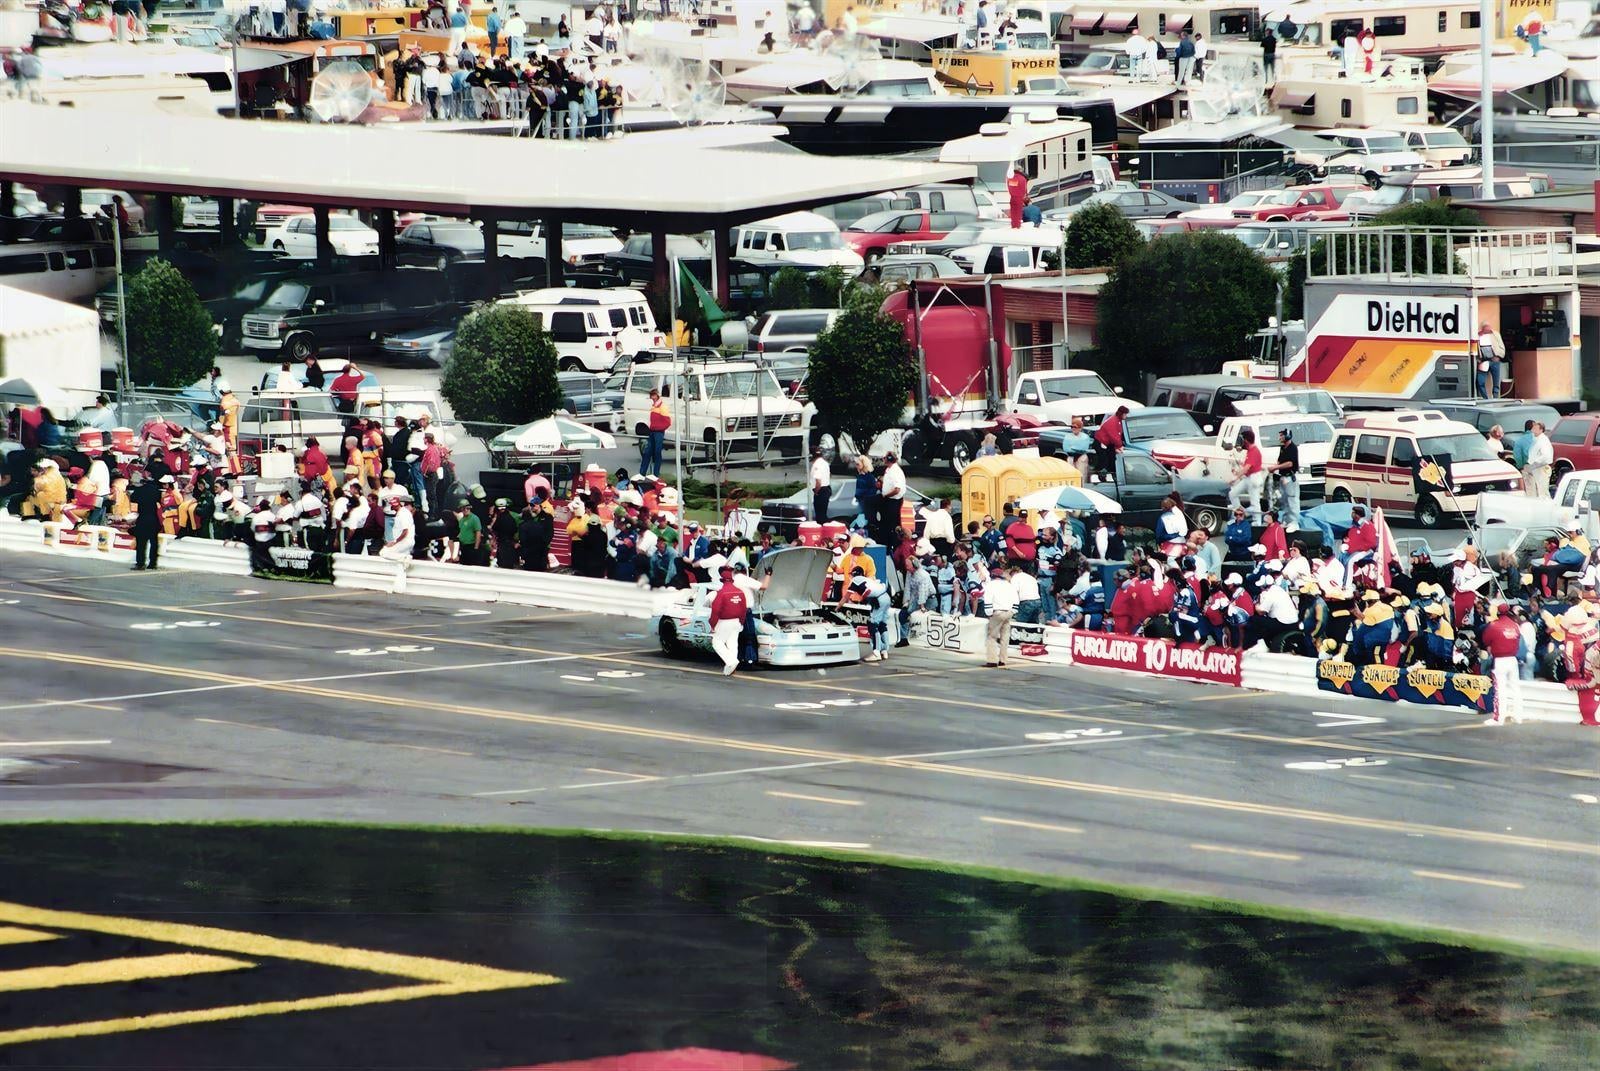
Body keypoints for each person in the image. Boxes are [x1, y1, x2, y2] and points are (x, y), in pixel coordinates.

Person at [1482, 603, 1523, 725]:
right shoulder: (1515, 626)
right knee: (1515, 688)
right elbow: (1517, 638)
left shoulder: (1493, 626)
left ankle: (1499, 718)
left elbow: (1486, 640)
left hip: (1500, 660)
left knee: (1500, 689)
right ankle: (1518, 716)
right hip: (1512, 659)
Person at [841, 566, 892, 661]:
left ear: (854, 574)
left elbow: (845, 597)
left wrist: (837, 607)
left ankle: (876, 652)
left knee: (872, 624)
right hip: (886, 596)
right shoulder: (868, 580)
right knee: (882, 624)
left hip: (878, 599)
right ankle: (884, 650)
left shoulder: (855, 580)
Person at [708, 565, 750, 675]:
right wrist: (741, 621)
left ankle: (731, 662)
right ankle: (731, 669)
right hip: (736, 621)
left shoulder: (721, 593)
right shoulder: (740, 592)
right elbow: (743, 609)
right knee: (732, 644)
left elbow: (715, 611)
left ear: (722, 580)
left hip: (724, 621)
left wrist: (712, 624)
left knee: (717, 642)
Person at [983, 564, 1017, 666]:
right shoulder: (1009, 585)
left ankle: (992, 660)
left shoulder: (990, 585)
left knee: (992, 637)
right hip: (1008, 612)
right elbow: (1016, 599)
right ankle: (1003, 659)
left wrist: (989, 613)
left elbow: (988, 599)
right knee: (1005, 636)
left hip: (997, 612)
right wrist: (1013, 611)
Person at [1228, 427, 1265, 522]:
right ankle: (1240, 513)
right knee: (1233, 494)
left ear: (1246, 440)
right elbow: (1247, 466)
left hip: (1254, 478)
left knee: (1255, 502)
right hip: (1249, 478)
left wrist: (1235, 478)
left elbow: (1246, 468)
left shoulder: (1254, 451)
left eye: (1243, 439)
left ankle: (1257, 522)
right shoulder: (1250, 450)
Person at [129, 472, 163, 570]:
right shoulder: (154, 488)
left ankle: (140, 563)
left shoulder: (138, 491)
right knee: (154, 542)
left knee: (141, 543)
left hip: (143, 518)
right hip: (154, 518)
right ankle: (153, 563)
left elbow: (133, 499)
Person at [1272, 428, 1300, 527]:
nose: (1280, 437)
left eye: (1281, 435)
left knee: (1292, 500)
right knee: (1284, 501)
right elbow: (1279, 461)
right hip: (1283, 477)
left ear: (1287, 436)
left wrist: (1276, 467)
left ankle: (1294, 522)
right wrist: (1274, 467)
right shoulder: (1282, 448)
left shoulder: (1293, 448)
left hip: (1289, 477)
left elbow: (1289, 463)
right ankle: (1286, 520)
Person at [1092, 406, 1127, 473]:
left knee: (1111, 460)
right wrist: (1119, 446)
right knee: (1104, 462)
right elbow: (1114, 436)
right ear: (1121, 414)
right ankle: (1103, 477)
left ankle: (1110, 473)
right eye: (1125, 414)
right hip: (1101, 443)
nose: (1126, 416)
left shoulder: (1117, 420)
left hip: (1107, 444)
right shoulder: (1113, 422)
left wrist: (1117, 446)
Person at [1476, 321, 1505, 399]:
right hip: (1484, 361)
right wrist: (1478, 359)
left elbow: (1501, 346)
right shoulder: (1478, 335)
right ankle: (1485, 399)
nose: (1488, 329)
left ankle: (1495, 398)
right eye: (1485, 327)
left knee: (1496, 383)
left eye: (1488, 327)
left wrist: (1498, 356)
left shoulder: (1495, 334)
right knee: (1480, 381)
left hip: (1494, 360)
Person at [1524, 420, 1552, 498]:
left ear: (1541, 430)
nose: (1533, 430)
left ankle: (1546, 508)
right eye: (1533, 428)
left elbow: (1545, 456)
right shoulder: (1536, 439)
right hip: (1535, 468)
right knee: (1536, 491)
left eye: (1536, 429)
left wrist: (1534, 464)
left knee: (1543, 492)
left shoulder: (1543, 440)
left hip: (1541, 468)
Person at [1006, 164, 1028, 228]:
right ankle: (1017, 226)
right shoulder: (1023, 178)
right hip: (1019, 198)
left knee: (1013, 212)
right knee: (1018, 213)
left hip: (1012, 198)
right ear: (1020, 170)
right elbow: (1024, 190)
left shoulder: (1011, 178)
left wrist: (1013, 195)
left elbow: (1010, 188)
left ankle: (1013, 225)